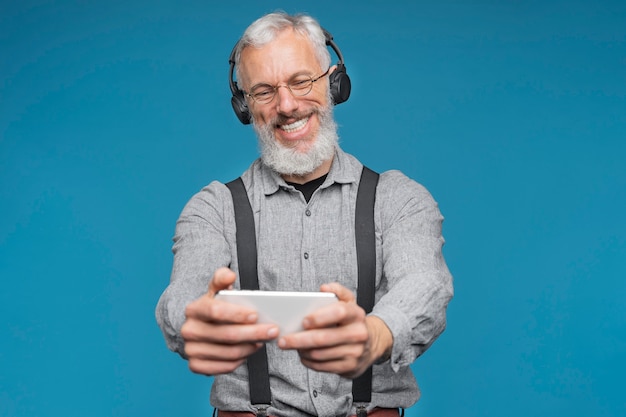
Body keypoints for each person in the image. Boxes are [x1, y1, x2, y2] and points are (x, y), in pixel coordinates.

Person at [156, 11, 453, 417]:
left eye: (301, 81)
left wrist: (377, 333)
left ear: (333, 83)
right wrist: (193, 321)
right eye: (264, 91)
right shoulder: (213, 209)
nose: (287, 105)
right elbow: (182, 294)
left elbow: (425, 284)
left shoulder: (399, 199)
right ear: (245, 107)